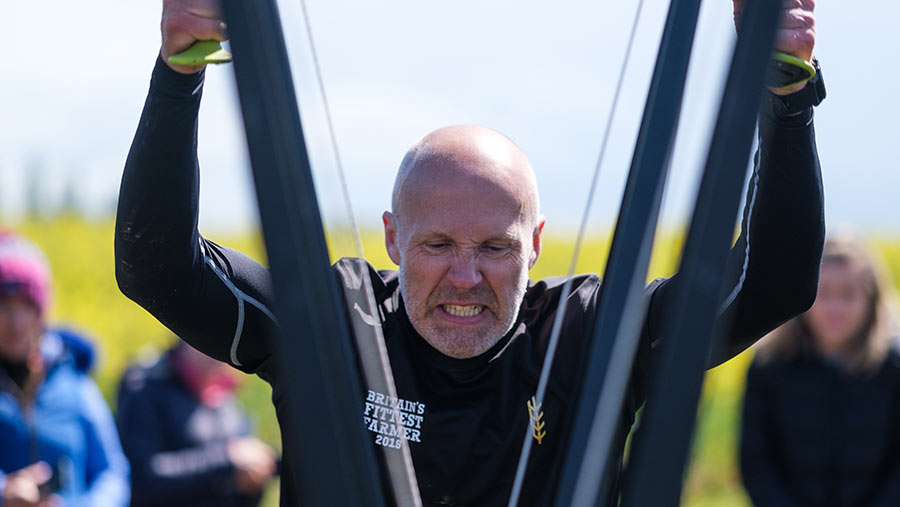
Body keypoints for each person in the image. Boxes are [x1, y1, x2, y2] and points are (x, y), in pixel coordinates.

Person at [114, 0, 824, 504]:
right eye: (437, 245)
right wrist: (179, 76)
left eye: (494, 246)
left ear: (537, 245)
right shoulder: (335, 323)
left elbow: (774, 281)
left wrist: (785, 97)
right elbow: (159, 266)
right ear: (392, 238)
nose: (465, 275)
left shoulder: (588, 333)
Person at [741, 236, 900, 507]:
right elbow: (757, 463)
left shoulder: (893, 367)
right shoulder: (770, 365)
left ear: (871, 300)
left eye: (848, 294)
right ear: (802, 296)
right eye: (822, 293)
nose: (834, 308)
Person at [0, 231, 130, 507]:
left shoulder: (75, 382)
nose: (15, 322)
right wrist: (5, 493)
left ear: (42, 313)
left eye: (26, 306)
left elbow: (112, 472)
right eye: (3, 306)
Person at [116, 339, 277, 507]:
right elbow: (143, 479)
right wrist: (227, 457)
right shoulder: (145, 386)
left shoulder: (226, 398)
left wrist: (252, 482)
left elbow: (235, 491)